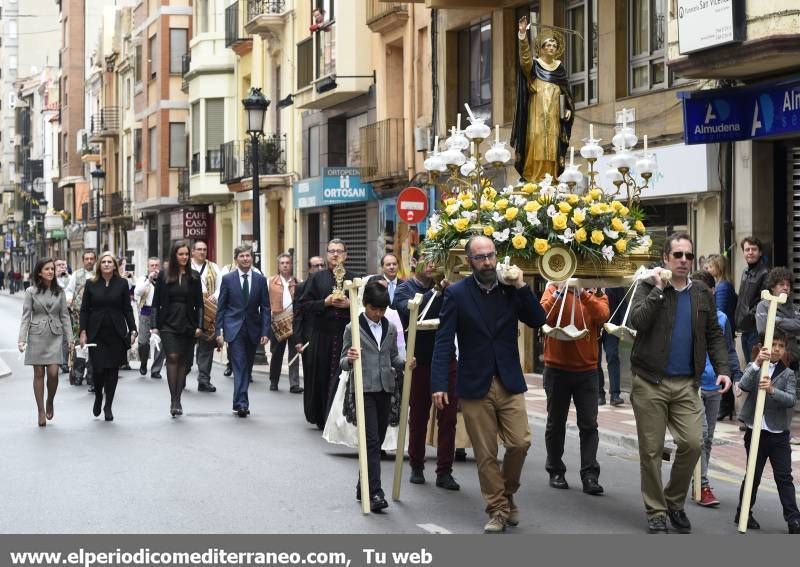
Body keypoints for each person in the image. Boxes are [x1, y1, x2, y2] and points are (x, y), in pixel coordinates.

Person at [431, 235, 546, 533]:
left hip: (509, 380)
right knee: (485, 454)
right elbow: (444, 342)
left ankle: (506, 495)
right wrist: (439, 384)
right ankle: (496, 509)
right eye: (480, 257)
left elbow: (537, 319)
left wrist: (521, 285)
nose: (487, 262)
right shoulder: (456, 294)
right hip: (474, 384)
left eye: (491, 256)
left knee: (520, 443)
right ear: (470, 261)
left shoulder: (511, 289)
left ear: (497, 256)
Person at [628, 232, 731, 534]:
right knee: (651, 449)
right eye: (678, 255)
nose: (684, 260)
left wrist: (723, 368)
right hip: (650, 381)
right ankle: (656, 511)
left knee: (693, 442)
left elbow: (713, 333)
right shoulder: (647, 285)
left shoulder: (701, 292)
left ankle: (673, 501)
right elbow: (637, 321)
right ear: (666, 258)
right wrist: (658, 289)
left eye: (688, 255)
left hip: (687, 384)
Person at [341, 281, 411, 512]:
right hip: (363, 390)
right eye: (375, 309)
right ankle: (375, 492)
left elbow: (393, 359)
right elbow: (342, 363)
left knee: (377, 441)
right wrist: (350, 358)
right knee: (371, 441)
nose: (378, 314)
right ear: (365, 305)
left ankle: (363, 485)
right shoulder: (353, 327)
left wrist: (406, 362)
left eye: (382, 310)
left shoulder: (389, 327)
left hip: (385, 389)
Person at [394, 252, 460, 491]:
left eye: (436, 260)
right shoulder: (404, 289)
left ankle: (444, 470)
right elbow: (406, 310)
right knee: (419, 415)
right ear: (414, 263)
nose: (433, 265)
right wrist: (436, 293)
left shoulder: (447, 288)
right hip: (418, 360)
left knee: (449, 417)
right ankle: (417, 465)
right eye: (428, 260)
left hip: (445, 358)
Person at [540, 284, 609, 495]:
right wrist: (561, 292)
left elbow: (603, 316)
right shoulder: (552, 287)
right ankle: (555, 471)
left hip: (587, 371)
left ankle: (589, 475)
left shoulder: (597, 293)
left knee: (589, 425)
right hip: (556, 369)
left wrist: (583, 294)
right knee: (556, 423)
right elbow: (543, 315)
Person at [735, 334, 800, 534]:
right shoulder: (756, 366)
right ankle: (743, 512)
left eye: (781, 346)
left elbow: (791, 399)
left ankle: (793, 519)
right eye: (774, 344)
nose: (777, 349)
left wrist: (772, 390)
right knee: (752, 476)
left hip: (778, 434)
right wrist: (755, 363)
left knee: (784, 477)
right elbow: (743, 385)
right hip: (755, 432)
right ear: (765, 346)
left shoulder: (788, 373)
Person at [689, 270, 742, 508]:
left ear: (712, 292)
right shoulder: (688, 316)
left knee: (708, 438)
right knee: (699, 435)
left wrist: (736, 376)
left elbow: (729, 350)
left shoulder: (721, 319)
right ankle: (702, 484)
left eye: (705, 292)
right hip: (693, 385)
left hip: (715, 385)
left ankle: (696, 481)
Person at [296, 240, 357, 429]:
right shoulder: (317, 278)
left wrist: (350, 304)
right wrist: (325, 302)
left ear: (346, 255)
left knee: (342, 378)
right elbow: (303, 305)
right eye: (332, 251)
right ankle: (321, 416)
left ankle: (340, 417)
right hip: (321, 335)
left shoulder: (354, 279)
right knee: (320, 376)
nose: (335, 255)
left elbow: (364, 307)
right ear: (327, 254)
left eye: (339, 251)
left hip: (345, 336)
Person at [511, 15, 575, 183]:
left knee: (552, 145)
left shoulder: (560, 69)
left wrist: (568, 109)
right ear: (541, 48)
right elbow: (524, 60)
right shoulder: (535, 66)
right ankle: (533, 176)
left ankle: (551, 178)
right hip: (536, 113)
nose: (552, 47)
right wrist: (523, 35)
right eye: (548, 45)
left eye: (554, 45)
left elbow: (566, 94)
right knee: (536, 140)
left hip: (554, 115)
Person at [79, 252, 138, 422]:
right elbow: (84, 310)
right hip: (96, 333)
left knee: (112, 370)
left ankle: (108, 405)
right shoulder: (91, 284)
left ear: (114, 266)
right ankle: (98, 396)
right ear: (99, 265)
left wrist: (133, 330)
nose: (106, 264)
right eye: (103, 262)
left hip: (116, 333)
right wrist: (83, 331)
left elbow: (127, 309)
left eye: (109, 262)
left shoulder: (122, 284)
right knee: (98, 370)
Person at [215, 245, 271, 417]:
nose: (246, 259)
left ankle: (237, 401)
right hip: (234, 329)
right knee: (239, 365)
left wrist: (265, 331)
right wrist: (219, 332)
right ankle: (242, 403)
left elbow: (266, 308)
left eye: (248, 256)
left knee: (246, 367)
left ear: (252, 258)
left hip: (253, 329)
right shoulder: (228, 279)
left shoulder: (260, 280)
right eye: (242, 256)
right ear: (236, 259)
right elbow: (221, 308)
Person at [17, 259, 73, 427]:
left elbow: (64, 316)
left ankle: (50, 400)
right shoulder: (31, 292)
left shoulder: (60, 292)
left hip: (55, 335)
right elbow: (26, 316)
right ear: (39, 272)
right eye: (46, 269)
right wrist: (22, 339)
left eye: (52, 269)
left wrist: (70, 338)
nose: (50, 271)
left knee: (54, 373)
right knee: (39, 374)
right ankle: (41, 410)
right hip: (37, 336)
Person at [151, 242, 204, 417]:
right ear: (174, 255)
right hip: (168, 323)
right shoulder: (164, 275)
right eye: (180, 254)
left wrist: (199, 326)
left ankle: (178, 398)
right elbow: (156, 303)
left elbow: (200, 305)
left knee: (183, 361)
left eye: (186, 254)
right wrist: (155, 327)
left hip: (187, 323)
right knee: (172, 357)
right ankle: (174, 400)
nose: (184, 257)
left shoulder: (194, 276)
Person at [189, 240, 221, 393]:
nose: (202, 252)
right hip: (189, 310)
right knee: (186, 346)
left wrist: (215, 296)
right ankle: (182, 375)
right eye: (199, 249)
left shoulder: (214, 267)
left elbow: (221, 286)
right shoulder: (186, 266)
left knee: (206, 346)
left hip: (208, 310)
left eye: (205, 249)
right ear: (193, 251)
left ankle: (204, 380)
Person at [268, 253, 302, 393]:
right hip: (277, 322)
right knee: (276, 353)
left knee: (294, 353)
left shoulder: (298, 282)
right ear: (278, 265)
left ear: (291, 265)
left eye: (287, 263)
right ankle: (274, 381)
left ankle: (294, 383)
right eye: (282, 263)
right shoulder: (270, 281)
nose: (285, 265)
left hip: (294, 322)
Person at [734, 237, 769, 365]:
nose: (750, 252)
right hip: (744, 329)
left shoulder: (765, 273)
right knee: (750, 366)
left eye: (754, 249)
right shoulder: (745, 271)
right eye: (747, 249)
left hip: (755, 328)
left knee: (755, 366)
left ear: (760, 252)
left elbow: (763, 302)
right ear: (743, 252)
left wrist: (748, 318)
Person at [292, 256, 326, 384]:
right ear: (309, 269)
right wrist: (298, 340)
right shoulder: (301, 287)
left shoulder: (330, 285)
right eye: (316, 266)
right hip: (308, 338)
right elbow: (298, 314)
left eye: (322, 265)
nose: (320, 268)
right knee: (310, 375)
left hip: (325, 336)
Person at [66, 251, 97, 388]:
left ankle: (92, 376)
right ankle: (77, 374)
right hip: (78, 316)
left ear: (95, 260)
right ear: (83, 260)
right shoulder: (76, 275)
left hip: (95, 315)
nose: (89, 261)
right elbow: (69, 290)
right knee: (79, 346)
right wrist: (69, 299)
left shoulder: (99, 274)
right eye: (87, 259)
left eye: (91, 259)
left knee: (94, 347)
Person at [133, 257, 165, 379]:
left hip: (161, 312)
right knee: (142, 342)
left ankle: (156, 370)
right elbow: (137, 292)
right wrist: (149, 280)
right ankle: (144, 361)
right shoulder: (143, 279)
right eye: (152, 265)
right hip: (146, 311)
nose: (155, 268)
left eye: (157, 265)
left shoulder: (165, 279)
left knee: (160, 343)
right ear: (148, 267)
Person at [598, 287, 626, 406]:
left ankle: (615, 394)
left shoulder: (616, 284)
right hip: (594, 326)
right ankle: (599, 394)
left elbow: (623, 304)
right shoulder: (590, 282)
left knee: (612, 356)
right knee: (595, 359)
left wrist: (623, 326)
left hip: (612, 327)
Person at [55, 259, 71, 374]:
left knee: (66, 338)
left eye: (63, 265)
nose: (62, 267)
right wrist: (56, 276)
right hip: (54, 312)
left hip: (68, 311)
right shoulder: (51, 279)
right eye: (59, 265)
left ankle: (64, 363)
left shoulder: (71, 278)